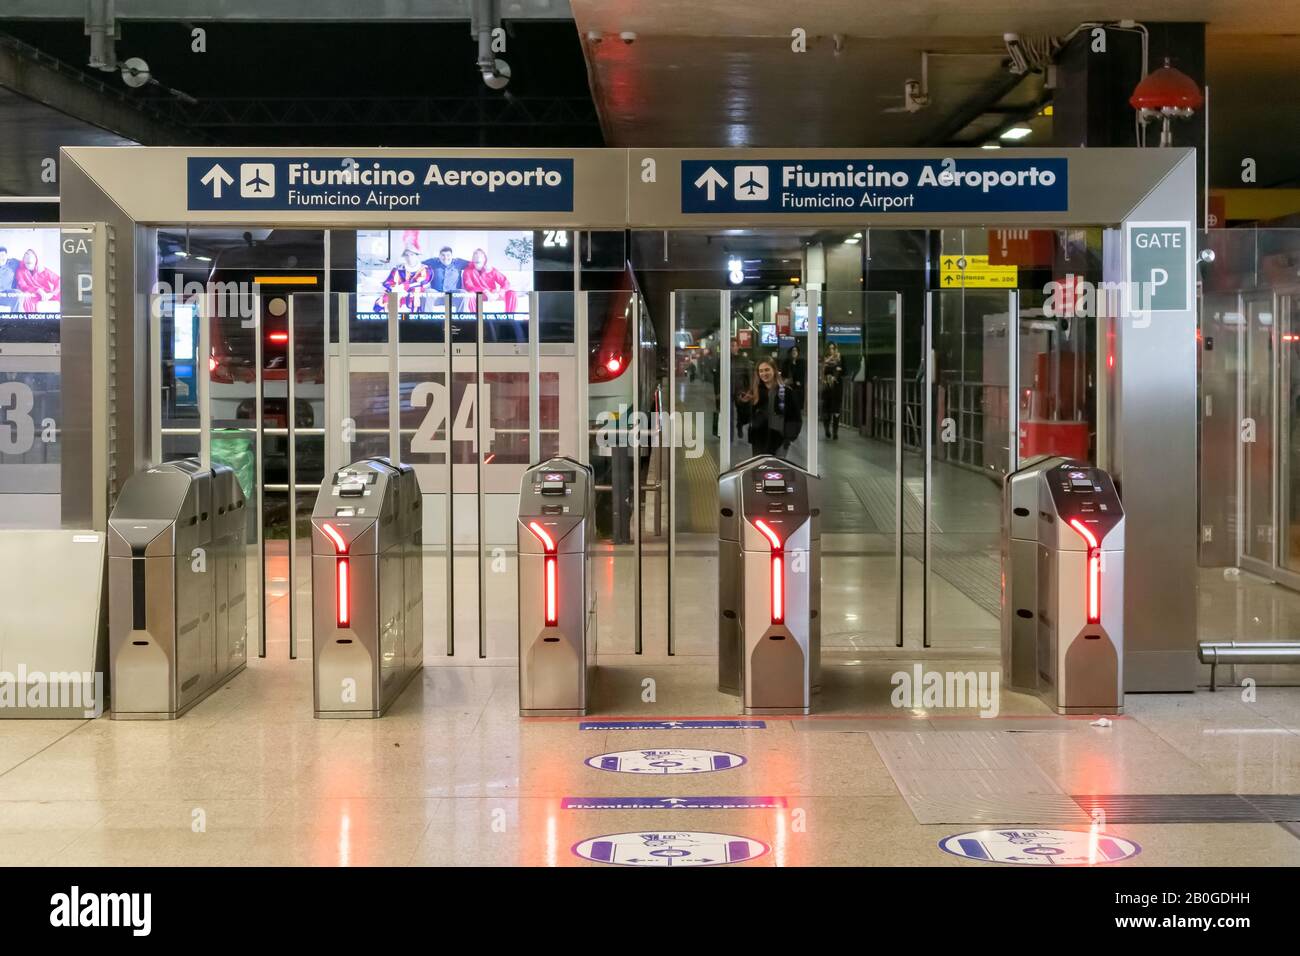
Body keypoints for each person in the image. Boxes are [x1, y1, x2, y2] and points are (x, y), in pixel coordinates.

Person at [742, 358, 801, 456]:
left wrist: (788, 439)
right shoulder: (755, 392)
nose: (764, 374)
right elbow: (747, 418)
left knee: (776, 470)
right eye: (761, 371)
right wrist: (743, 403)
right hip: (758, 441)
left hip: (779, 440)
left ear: (774, 370)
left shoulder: (786, 391)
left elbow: (795, 417)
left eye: (767, 370)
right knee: (760, 470)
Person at [461, 248, 518, 314]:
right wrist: (485, 291)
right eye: (474, 256)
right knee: (469, 296)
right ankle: (476, 320)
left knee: (512, 293)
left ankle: (509, 317)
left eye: (479, 256)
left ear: (484, 259)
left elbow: (506, 282)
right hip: (479, 295)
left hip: (493, 294)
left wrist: (498, 293)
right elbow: (469, 286)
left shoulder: (491, 269)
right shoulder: (467, 271)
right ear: (472, 259)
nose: (477, 258)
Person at [729, 338, 753, 438]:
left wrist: (749, 390)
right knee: (728, 412)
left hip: (740, 389)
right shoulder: (724, 359)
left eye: (734, 345)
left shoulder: (743, 360)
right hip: (728, 390)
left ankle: (739, 425)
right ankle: (729, 433)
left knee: (742, 411)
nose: (732, 348)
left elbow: (749, 375)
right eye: (731, 345)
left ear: (738, 347)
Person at [820, 350, 845, 440]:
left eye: (834, 350)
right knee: (826, 410)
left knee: (836, 410)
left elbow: (844, 371)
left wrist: (839, 368)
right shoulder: (827, 363)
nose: (834, 353)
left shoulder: (840, 363)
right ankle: (827, 429)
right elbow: (823, 374)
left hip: (837, 389)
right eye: (830, 349)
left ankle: (835, 432)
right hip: (828, 389)